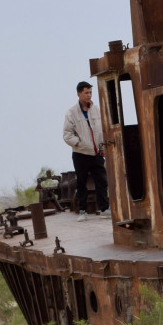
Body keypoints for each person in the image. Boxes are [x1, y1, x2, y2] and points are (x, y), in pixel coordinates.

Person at [62, 81, 109, 220]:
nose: (89, 96)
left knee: (102, 181)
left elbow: (102, 130)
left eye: (90, 93)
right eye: (86, 93)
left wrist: (102, 147)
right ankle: (82, 211)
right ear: (79, 94)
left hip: (97, 153)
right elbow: (67, 134)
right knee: (81, 182)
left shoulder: (96, 109)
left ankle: (104, 209)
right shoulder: (71, 113)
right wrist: (80, 144)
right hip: (80, 153)